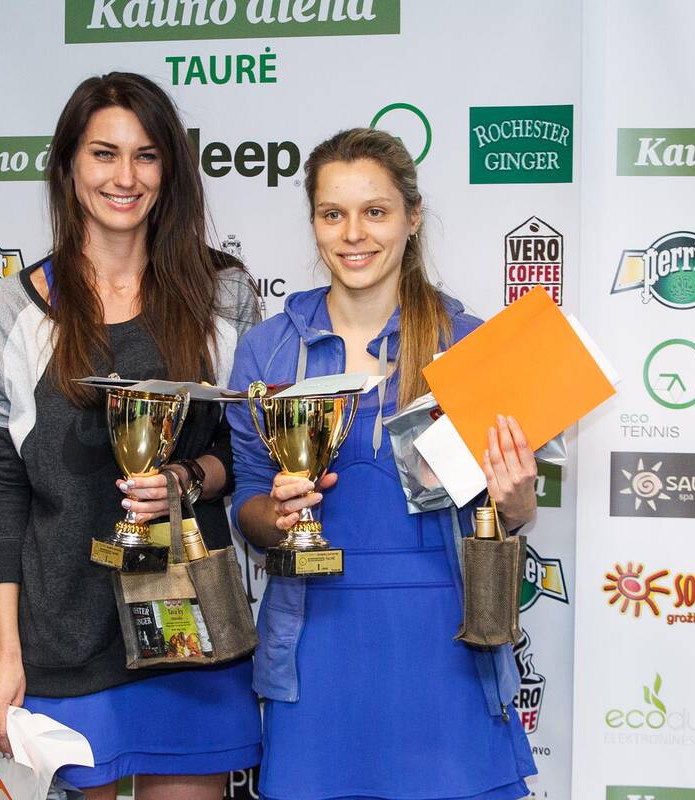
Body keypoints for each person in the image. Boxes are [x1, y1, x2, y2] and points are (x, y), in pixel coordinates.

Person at [0, 72, 263, 800]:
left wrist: (186, 480)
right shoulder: (5, 312)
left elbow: (244, 451)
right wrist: (3, 654)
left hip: (194, 634)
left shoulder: (223, 296)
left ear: (170, 170)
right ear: (69, 165)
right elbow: (2, 492)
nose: (125, 177)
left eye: (146, 155)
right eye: (104, 153)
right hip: (63, 635)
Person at [226, 128, 539, 800]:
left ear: (412, 217)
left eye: (375, 211)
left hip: (448, 644)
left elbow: (509, 516)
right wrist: (276, 515)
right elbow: (247, 499)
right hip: (313, 647)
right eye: (332, 213)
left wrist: (517, 500)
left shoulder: (469, 345)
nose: (353, 234)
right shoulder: (267, 351)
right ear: (314, 222)